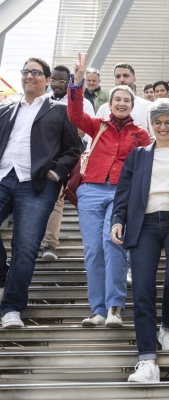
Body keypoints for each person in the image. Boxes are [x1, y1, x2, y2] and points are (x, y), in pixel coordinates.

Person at [111, 99, 169, 383]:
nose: (163, 127)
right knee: (141, 290)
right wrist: (118, 220)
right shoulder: (137, 155)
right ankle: (147, 361)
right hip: (144, 224)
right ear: (151, 124)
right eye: (158, 122)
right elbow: (123, 192)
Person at [68, 53, 152, 328]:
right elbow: (75, 114)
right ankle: (98, 310)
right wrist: (77, 84)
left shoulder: (140, 134)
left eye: (126, 100)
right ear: (110, 103)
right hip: (91, 190)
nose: (121, 103)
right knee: (93, 251)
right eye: (117, 99)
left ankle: (115, 307)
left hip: (120, 194)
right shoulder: (98, 125)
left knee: (113, 245)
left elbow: (149, 164)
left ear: (132, 105)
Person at [0, 57, 80, 328]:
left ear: (47, 80)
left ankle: (11, 308)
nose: (29, 76)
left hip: (36, 184)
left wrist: (55, 174)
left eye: (36, 72)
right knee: (16, 254)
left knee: (25, 248)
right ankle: (3, 274)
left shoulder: (59, 110)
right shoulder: (7, 108)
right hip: (3, 177)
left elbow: (73, 148)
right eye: (25, 72)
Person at [41, 65, 96, 261]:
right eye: (54, 80)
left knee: (60, 197)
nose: (57, 84)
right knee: (51, 198)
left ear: (69, 81)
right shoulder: (43, 100)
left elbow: (87, 131)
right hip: (45, 157)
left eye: (61, 81)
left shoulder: (83, 103)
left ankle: (49, 244)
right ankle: (45, 242)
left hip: (72, 157)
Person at [95, 63, 152, 133]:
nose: (121, 79)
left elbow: (156, 137)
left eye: (126, 76)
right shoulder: (104, 109)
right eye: (118, 76)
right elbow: (92, 138)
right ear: (114, 80)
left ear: (134, 79)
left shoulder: (148, 106)